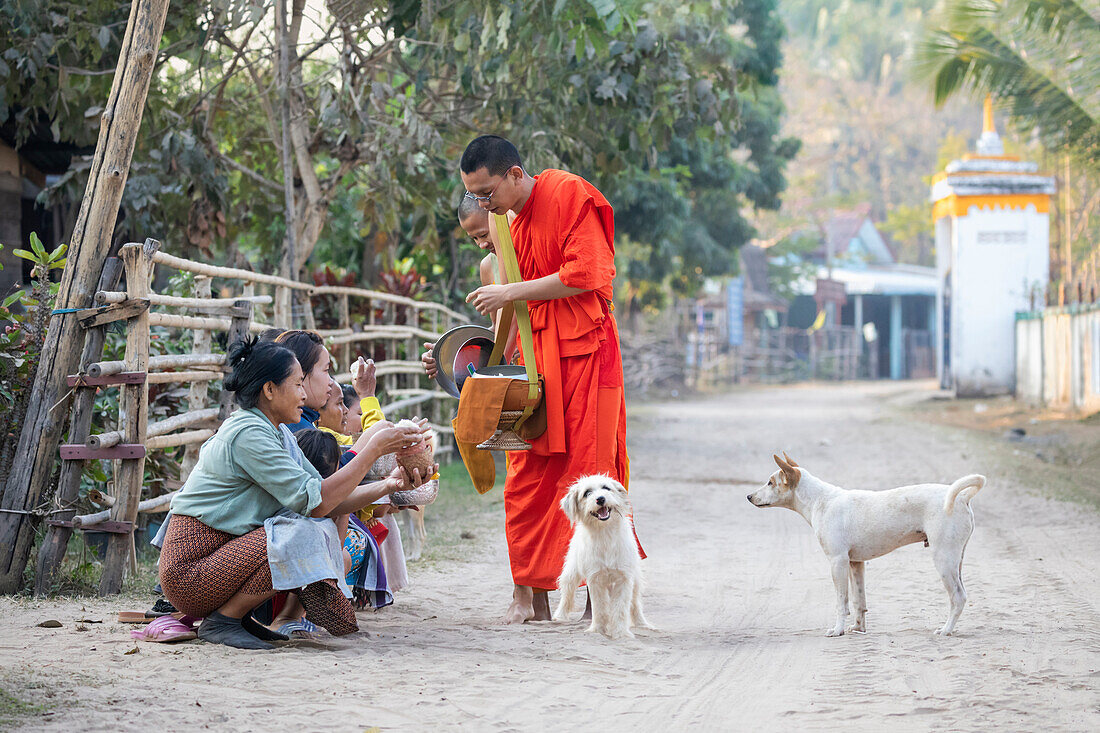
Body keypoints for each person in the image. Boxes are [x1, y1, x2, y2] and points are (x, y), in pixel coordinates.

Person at [435, 134, 640, 624]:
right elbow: (510, 320)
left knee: (593, 472)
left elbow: (586, 274)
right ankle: (532, 600)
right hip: (536, 363)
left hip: (587, 354)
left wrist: (511, 290)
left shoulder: (569, 193)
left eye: (487, 194)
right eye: (476, 197)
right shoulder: (508, 226)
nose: (484, 206)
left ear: (514, 174)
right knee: (525, 478)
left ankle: (599, 601)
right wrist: (459, 359)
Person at [158, 337, 425, 649]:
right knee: (304, 532)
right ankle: (224, 621)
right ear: (269, 390)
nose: (303, 394)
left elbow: (328, 501)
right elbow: (318, 504)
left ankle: (237, 618)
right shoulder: (248, 433)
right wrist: (374, 448)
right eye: (298, 384)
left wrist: (391, 486)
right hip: (190, 576)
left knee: (314, 526)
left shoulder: (278, 432)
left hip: (221, 565)